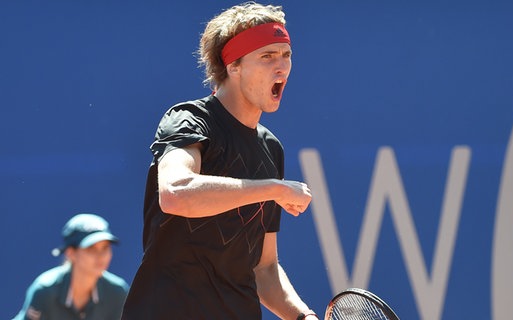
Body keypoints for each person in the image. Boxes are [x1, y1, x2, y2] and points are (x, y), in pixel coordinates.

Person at [121, 2, 318, 320]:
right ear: (233, 65)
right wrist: (273, 189)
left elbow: (264, 268)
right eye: (267, 56)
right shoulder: (188, 120)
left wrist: (302, 316)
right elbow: (175, 193)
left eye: (286, 55)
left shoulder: (271, 148)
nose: (281, 67)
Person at [13, 213, 129, 320]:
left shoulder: (118, 293)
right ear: (70, 253)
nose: (101, 256)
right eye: (91, 248)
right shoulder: (44, 291)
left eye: (105, 248)